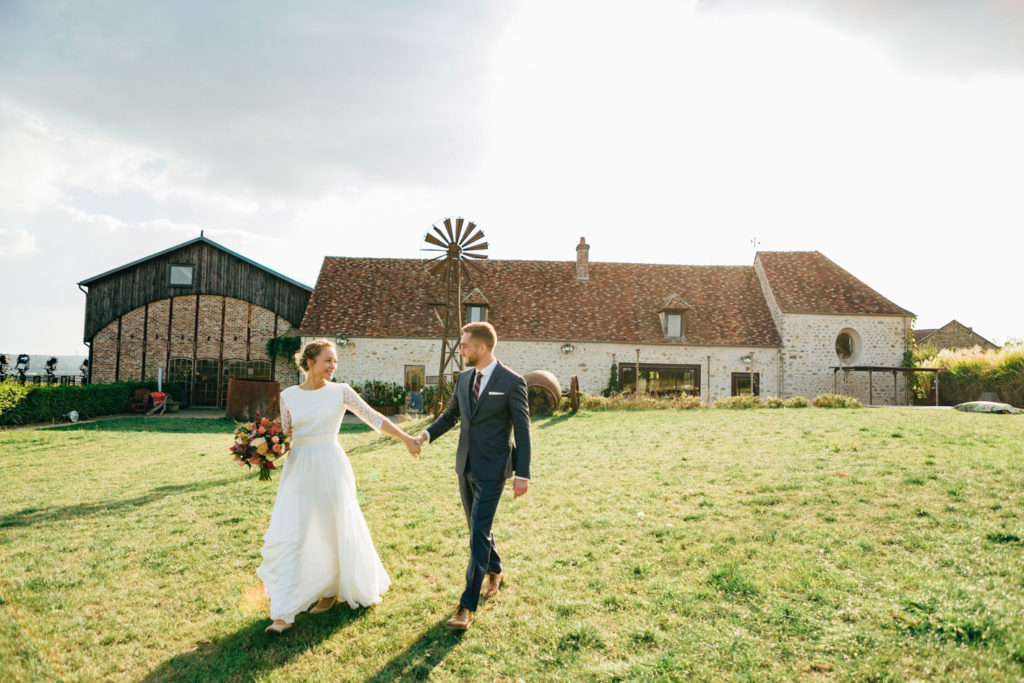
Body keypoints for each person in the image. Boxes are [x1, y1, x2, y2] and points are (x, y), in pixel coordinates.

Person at [258, 339, 421, 633]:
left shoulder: (341, 392)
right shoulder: (289, 396)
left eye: (335, 362)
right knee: (293, 531)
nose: (333, 366)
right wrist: (262, 452)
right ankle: (282, 613)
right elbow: (286, 438)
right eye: (328, 360)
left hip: (331, 465)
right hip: (298, 468)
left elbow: (376, 419)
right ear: (309, 362)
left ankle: (331, 589)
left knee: (333, 528)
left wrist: (407, 439)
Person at [416, 322, 532, 630]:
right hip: (464, 466)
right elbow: (451, 416)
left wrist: (523, 473)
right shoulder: (465, 378)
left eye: (465, 345)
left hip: (494, 469)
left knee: (478, 532)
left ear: (482, 347)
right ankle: (495, 569)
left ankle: (466, 606)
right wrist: (425, 436)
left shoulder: (512, 381)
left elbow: (522, 429)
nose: (461, 350)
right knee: (476, 529)